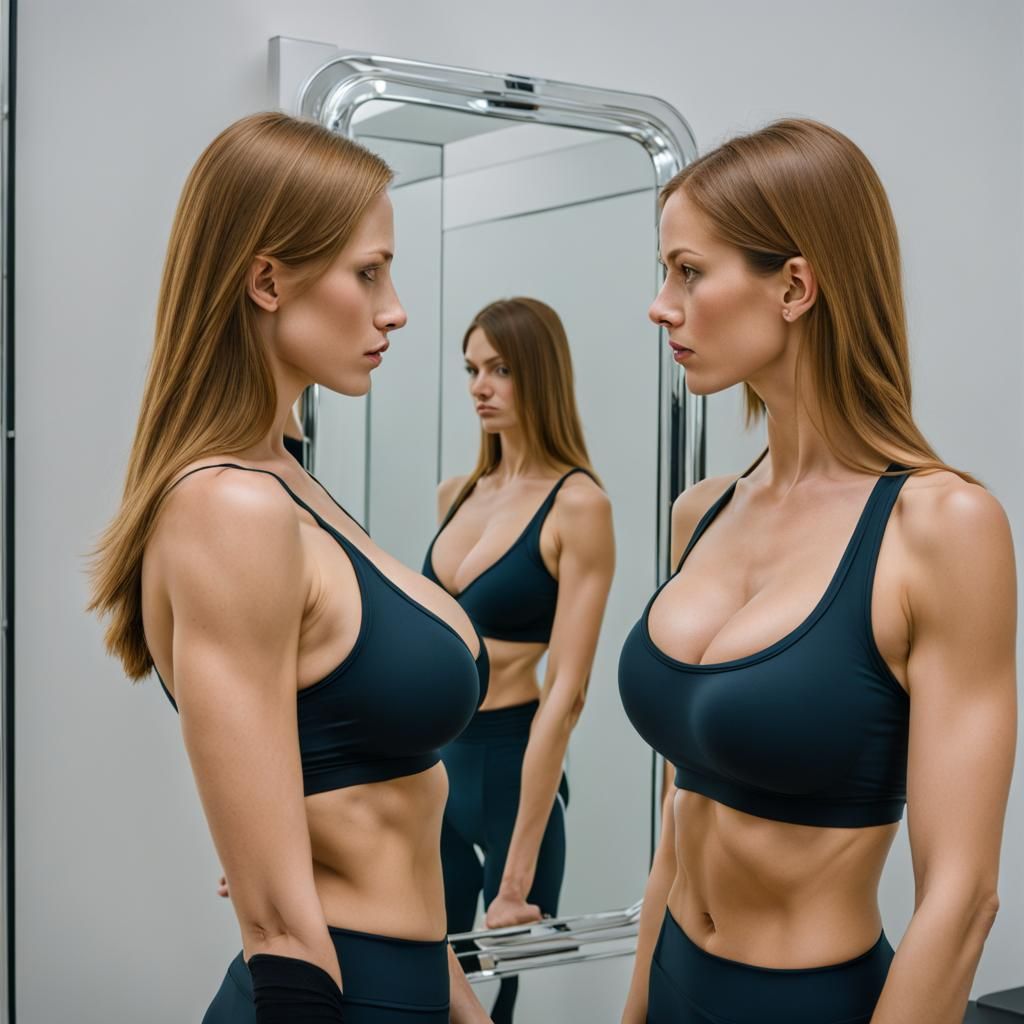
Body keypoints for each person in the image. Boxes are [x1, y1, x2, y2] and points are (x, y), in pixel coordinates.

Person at [88, 112, 492, 1024]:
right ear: (267, 279)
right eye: (369, 271)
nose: (394, 309)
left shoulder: (289, 479)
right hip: (333, 998)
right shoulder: (229, 507)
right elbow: (275, 921)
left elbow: (392, 823)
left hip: (408, 984)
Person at [618, 118, 1016, 1024]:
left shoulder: (944, 528)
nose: (660, 304)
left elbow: (962, 898)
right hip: (676, 975)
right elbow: (678, 820)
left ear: (794, 286)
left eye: (688, 270)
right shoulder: (704, 511)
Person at [422, 297, 615, 1022]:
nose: (479, 385)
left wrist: (517, 876)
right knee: (423, 989)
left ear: (539, 374)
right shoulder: (455, 494)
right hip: (433, 769)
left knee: (499, 1002)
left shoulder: (578, 506)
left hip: (514, 768)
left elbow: (566, 695)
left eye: (500, 368)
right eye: (472, 368)